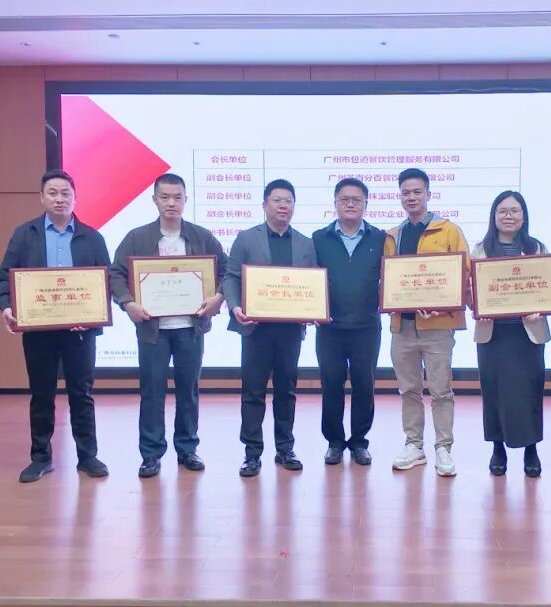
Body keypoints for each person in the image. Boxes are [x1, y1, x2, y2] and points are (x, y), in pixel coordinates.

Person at [0, 169, 111, 483]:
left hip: (80, 332)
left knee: (82, 394)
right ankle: (40, 458)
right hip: (39, 331)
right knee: (41, 393)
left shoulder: (92, 237)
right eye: (53, 193)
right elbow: (4, 278)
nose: (60, 199)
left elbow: (106, 282)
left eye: (65, 193)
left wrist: (92, 314)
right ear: (42, 197)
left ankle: (87, 456)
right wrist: (7, 307)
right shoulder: (24, 234)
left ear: (75, 198)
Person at [108, 173, 228, 478]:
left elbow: (228, 271)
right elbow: (116, 274)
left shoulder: (202, 237)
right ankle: (151, 454)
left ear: (186, 200)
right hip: (153, 330)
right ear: (154, 200)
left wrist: (218, 298)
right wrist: (128, 303)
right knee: (152, 391)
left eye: (177, 197)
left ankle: (187, 449)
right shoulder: (137, 238)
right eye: (165, 197)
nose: (171, 203)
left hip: (190, 328)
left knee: (189, 390)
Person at [221, 179, 318, 477]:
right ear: (265, 205)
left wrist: (314, 308)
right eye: (277, 200)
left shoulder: (305, 243)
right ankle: (252, 453)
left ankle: (285, 448)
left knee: (286, 390)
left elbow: (313, 282)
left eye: (288, 201)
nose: (283, 206)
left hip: (290, 330)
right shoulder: (246, 238)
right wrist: (235, 306)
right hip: (256, 329)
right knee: (253, 391)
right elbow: (230, 277)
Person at [385, 167, 470, 477]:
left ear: (428, 194)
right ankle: (414, 445)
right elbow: (387, 279)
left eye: (417, 192)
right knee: (408, 390)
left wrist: (440, 305)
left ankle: (443, 448)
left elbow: (464, 275)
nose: (411, 197)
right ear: (400, 196)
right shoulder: (393, 236)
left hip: (438, 327)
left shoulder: (448, 231)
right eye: (406, 192)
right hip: (402, 327)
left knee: (440, 391)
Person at [471, 191, 549, 478]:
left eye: (514, 211)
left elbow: (547, 287)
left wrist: (541, 308)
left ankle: (531, 449)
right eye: (502, 211)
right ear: (494, 216)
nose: (508, 216)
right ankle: (497, 448)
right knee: (494, 391)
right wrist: (477, 307)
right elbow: (469, 290)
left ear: (523, 216)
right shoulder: (480, 249)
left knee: (530, 392)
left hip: (527, 333)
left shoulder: (537, 247)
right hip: (493, 334)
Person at [313, 178, 386, 466]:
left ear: (366, 204)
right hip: (329, 327)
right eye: (345, 199)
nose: (351, 204)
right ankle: (334, 441)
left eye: (357, 199)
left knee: (364, 385)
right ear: (335, 203)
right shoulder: (319, 238)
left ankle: (359, 442)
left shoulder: (380, 238)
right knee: (331, 384)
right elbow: (308, 279)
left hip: (366, 327)